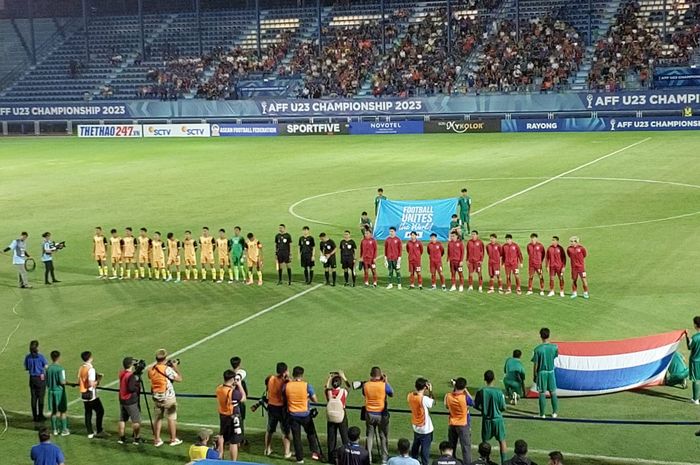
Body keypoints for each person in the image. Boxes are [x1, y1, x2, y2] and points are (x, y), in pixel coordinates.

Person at [284, 366, 322, 463]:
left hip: (293, 414)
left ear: (293, 374)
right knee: (311, 433)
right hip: (305, 414)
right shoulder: (306, 385)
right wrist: (307, 398)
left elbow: (284, 396)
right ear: (302, 374)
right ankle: (314, 453)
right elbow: (315, 400)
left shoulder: (287, 385)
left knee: (296, 437)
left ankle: (299, 458)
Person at [147, 349, 183, 447]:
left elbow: (152, 378)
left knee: (158, 418)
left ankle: (157, 440)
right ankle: (173, 439)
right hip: (168, 398)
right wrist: (175, 368)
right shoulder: (167, 369)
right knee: (171, 418)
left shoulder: (151, 369)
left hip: (156, 397)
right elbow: (179, 379)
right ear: (165, 358)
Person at [474, 370, 507, 465]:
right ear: (494, 378)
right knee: (502, 441)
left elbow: (476, 405)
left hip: (486, 420)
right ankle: (504, 462)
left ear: (485, 379)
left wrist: (484, 410)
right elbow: (503, 407)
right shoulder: (499, 392)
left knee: (485, 442)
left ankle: (485, 461)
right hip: (498, 420)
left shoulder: (481, 391)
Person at [363, 366, 393, 464]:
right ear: (380, 375)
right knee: (383, 436)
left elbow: (364, 393)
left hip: (369, 413)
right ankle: (384, 460)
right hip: (381, 414)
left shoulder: (366, 385)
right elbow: (391, 393)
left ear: (371, 375)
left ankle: (369, 458)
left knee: (369, 436)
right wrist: (386, 381)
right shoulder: (383, 385)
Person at [216, 369, 247, 460]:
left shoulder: (219, 388)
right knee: (234, 441)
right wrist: (240, 385)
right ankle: (233, 462)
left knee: (222, 435)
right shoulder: (233, 393)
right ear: (233, 379)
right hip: (233, 416)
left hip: (223, 415)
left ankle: (220, 455)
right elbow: (243, 398)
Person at [264, 362, 292, 458]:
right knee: (285, 431)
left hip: (271, 407)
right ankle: (287, 452)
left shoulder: (270, 379)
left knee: (270, 429)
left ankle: (267, 449)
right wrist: (288, 378)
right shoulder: (286, 382)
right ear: (284, 372)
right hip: (281, 408)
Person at [444, 377, 473, 465]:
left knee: (452, 446)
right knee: (466, 448)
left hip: (452, 423)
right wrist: (466, 390)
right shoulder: (465, 398)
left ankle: (451, 462)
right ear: (464, 387)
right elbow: (472, 402)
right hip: (463, 425)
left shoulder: (448, 396)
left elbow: (447, 406)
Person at [78, 351, 106, 438]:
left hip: (83, 394)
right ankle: (99, 430)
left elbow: (79, 381)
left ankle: (90, 432)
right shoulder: (91, 369)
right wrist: (98, 380)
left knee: (88, 413)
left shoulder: (81, 368)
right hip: (91, 395)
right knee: (100, 411)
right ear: (90, 358)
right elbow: (91, 383)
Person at [532, 328, 559, 418]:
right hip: (551, 372)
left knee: (542, 393)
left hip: (542, 373)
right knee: (553, 392)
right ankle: (555, 412)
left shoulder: (537, 350)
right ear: (549, 335)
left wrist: (534, 375)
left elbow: (535, 364)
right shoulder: (554, 347)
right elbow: (555, 356)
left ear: (540, 336)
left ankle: (542, 414)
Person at [408, 378, 434, 465]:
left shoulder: (410, 396)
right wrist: (430, 391)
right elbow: (432, 403)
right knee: (425, 452)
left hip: (416, 426)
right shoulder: (424, 399)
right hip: (425, 429)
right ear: (425, 387)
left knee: (415, 449)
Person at [325, 372, 350, 463]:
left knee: (331, 438)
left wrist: (329, 378)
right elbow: (349, 386)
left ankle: (331, 459)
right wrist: (344, 377)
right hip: (341, 416)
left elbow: (326, 387)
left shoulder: (328, 392)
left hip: (331, 416)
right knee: (345, 437)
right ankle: (346, 457)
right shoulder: (343, 392)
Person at [46, 351, 69, 436]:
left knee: (54, 412)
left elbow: (47, 382)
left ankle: (54, 430)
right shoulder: (60, 369)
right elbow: (62, 381)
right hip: (59, 392)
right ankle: (64, 430)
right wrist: (68, 383)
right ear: (59, 357)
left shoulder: (48, 368)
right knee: (63, 411)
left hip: (51, 392)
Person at [25, 340, 48, 422]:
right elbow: (46, 366)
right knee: (41, 397)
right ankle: (40, 415)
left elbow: (27, 368)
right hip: (40, 378)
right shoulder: (40, 357)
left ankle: (35, 416)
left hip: (32, 378)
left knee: (33, 397)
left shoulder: (28, 357)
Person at [686, 316, 700, 404]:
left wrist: (687, 337)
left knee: (696, 379)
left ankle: (695, 399)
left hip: (695, 361)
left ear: (695, 325)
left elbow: (689, 347)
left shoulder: (694, 338)